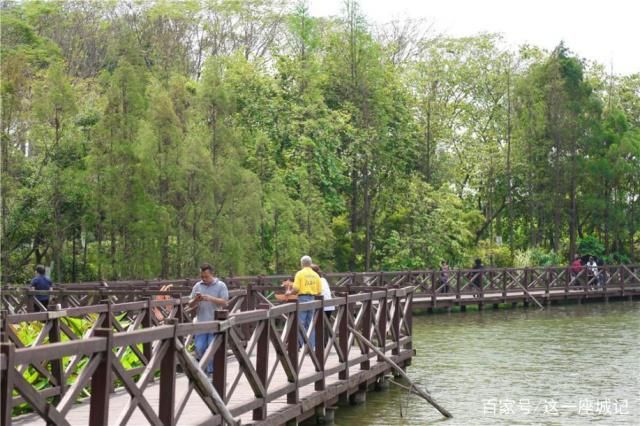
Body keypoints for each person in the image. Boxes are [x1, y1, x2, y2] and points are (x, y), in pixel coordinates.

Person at [189, 263, 229, 376]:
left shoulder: (221, 285)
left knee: (212, 349)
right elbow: (189, 304)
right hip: (201, 322)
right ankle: (206, 370)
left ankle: (210, 373)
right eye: (202, 276)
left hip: (215, 323)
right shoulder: (197, 286)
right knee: (200, 348)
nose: (204, 279)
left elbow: (225, 302)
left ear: (212, 274)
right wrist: (196, 300)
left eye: (206, 276)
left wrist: (210, 298)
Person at [283, 255, 321, 350]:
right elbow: (319, 291)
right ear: (310, 263)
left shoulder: (300, 274)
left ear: (301, 264)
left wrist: (289, 292)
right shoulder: (316, 275)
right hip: (312, 299)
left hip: (302, 298)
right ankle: (310, 346)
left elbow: (296, 288)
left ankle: (298, 345)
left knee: (300, 323)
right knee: (310, 323)